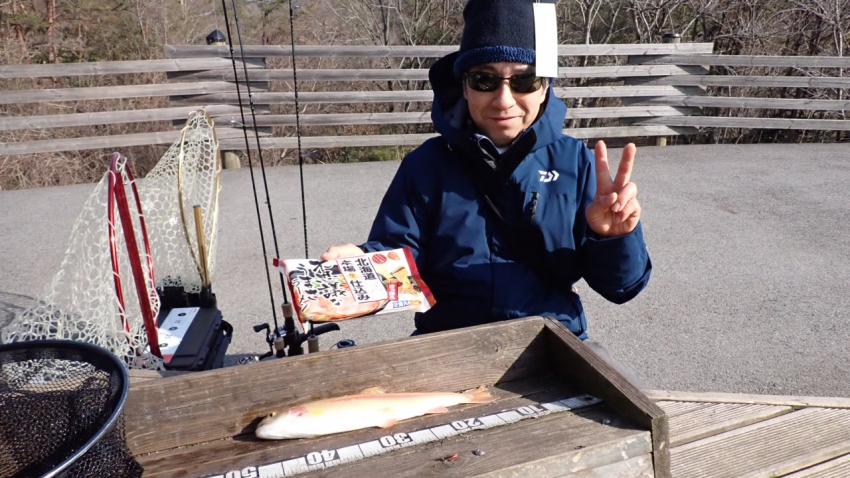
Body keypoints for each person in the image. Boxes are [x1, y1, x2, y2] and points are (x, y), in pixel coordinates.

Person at [322, 0, 651, 384]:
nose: (504, 100)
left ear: (545, 86)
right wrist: (361, 263)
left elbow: (622, 287)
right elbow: (400, 259)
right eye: (484, 80)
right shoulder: (426, 165)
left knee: (640, 411)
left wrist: (614, 237)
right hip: (445, 345)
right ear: (464, 86)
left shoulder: (576, 163)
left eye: (524, 81)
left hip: (555, 343)